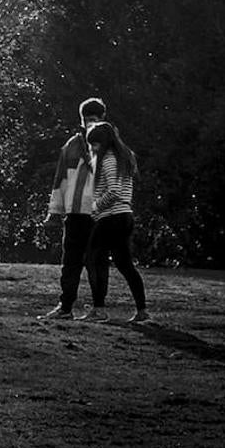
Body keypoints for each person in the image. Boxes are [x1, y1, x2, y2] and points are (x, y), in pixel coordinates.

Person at [37, 98, 105, 320]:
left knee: (96, 261)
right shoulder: (71, 145)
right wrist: (54, 211)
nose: (90, 125)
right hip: (74, 213)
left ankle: (99, 308)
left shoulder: (109, 145)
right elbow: (60, 181)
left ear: (102, 119)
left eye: (94, 120)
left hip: (98, 213)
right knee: (70, 263)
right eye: (87, 120)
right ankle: (65, 306)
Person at [78, 121, 152, 324]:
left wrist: (94, 207)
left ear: (103, 142)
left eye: (94, 144)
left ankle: (99, 309)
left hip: (111, 217)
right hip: (125, 216)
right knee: (125, 264)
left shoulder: (109, 160)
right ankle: (142, 310)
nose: (92, 148)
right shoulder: (123, 159)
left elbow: (114, 192)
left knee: (92, 259)